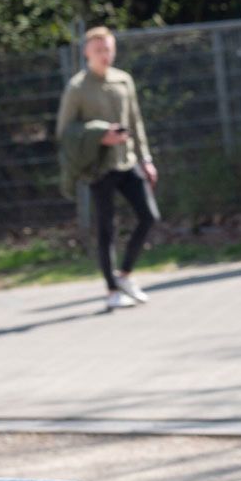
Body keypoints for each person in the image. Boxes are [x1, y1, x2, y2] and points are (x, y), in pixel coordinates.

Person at [55, 26, 158, 310]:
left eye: (109, 49)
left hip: (127, 162)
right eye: (99, 49)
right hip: (99, 167)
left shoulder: (123, 81)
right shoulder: (77, 88)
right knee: (106, 229)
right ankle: (112, 290)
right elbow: (65, 131)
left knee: (148, 217)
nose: (105, 54)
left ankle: (124, 275)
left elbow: (135, 122)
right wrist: (100, 134)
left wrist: (145, 158)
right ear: (87, 52)